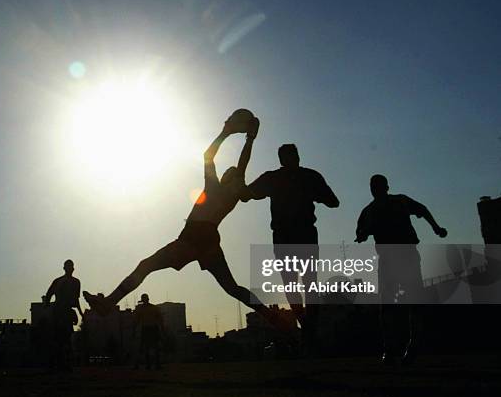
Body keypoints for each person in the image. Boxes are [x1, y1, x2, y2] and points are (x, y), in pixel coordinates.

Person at [84, 110, 288, 330]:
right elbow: (235, 163)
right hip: (209, 240)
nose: (231, 172)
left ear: (230, 178)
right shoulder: (231, 196)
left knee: (146, 265)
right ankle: (271, 317)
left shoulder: (217, 188)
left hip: (194, 237)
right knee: (231, 288)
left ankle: (107, 304)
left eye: (231, 172)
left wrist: (227, 133)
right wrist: (248, 138)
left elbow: (212, 157)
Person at [240, 143, 340, 352]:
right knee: (303, 283)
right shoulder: (304, 177)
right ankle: (308, 329)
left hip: (291, 235)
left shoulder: (277, 178)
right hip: (297, 235)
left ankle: (307, 329)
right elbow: (333, 201)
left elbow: (246, 194)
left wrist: (238, 183)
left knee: (297, 284)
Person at [355, 174, 447, 365]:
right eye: (374, 186)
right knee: (389, 303)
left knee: (410, 300)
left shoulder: (399, 201)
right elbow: (360, 232)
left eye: (378, 185)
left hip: (406, 255)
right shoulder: (369, 211)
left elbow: (422, 209)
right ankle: (391, 348)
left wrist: (436, 227)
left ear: (386, 187)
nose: (376, 189)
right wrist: (364, 233)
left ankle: (412, 345)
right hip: (388, 259)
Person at [44, 259, 84, 371]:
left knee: (65, 338)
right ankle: (59, 363)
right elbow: (48, 294)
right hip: (59, 312)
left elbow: (76, 300)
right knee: (59, 338)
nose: (70, 269)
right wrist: (47, 307)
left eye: (71, 267)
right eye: (68, 267)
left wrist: (81, 313)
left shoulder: (76, 282)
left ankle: (64, 363)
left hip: (66, 312)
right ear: (65, 268)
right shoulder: (59, 281)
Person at [133, 293, 163, 370]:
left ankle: (154, 365)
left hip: (150, 328)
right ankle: (151, 365)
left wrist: (162, 328)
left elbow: (160, 318)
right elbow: (137, 320)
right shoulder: (147, 308)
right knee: (148, 347)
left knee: (153, 347)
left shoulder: (149, 308)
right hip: (148, 328)